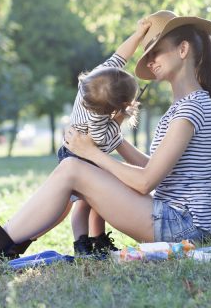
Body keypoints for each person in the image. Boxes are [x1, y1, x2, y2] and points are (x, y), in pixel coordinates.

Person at [0, 10, 211, 275]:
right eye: (147, 54)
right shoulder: (186, 105)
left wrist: (91, 152)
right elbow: (156, 168)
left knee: (73, 168)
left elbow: (145, 182)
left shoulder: (191, 108)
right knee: (74, 172)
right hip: (176, 221)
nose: (150, 61)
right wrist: (112, 141)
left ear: (183, 50)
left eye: (156, 52)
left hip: (183, 229)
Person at [59, 20, 149, 257]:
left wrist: (138, 34)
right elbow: (104, 142)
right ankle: (81, 243)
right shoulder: (98, 120)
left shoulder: (93, 83)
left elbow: (120, 55)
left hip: (81, 151)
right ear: (116, 107)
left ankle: (98, 239)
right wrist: (120, 119)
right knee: (84, 203)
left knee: (96, 201)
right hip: (80, 154)